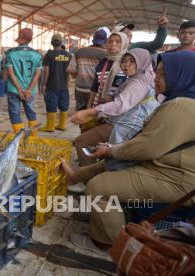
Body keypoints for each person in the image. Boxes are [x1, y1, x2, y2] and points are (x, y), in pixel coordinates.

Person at [68, 51, 195, 254]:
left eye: (162, 74)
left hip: (177, 177)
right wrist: (112, 151)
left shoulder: (181, 106)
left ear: (181, 76)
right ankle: (77, 181)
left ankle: (107, 243)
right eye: (157, 72)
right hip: (167, 164)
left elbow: (146, 148)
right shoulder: (177, 99)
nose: (156, 77)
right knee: (109, 164)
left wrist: (112, 150)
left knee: (98, 186)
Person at [71, 48, 160, 165]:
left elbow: (120, 105)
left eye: (132, 61)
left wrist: (89, 112)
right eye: (124, 61)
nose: (126, 65)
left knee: (81, 141)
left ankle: (85, 172)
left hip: (125, 124)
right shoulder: (145, 76)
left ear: (142, 61)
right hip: (125, 120)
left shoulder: (139, 82)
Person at [72, 32, 130, 166]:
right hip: (98, 110)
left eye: (117, 41)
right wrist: (89, 107)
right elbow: (95, 86)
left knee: (85, 140)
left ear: (125, 44)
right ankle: (89, 160)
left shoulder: (127, 63)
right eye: (110, 41)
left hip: (117, 114)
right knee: (89, 135)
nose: (113, 44)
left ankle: (88, 169)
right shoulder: (103, 62)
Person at [5, 28, 42, 135]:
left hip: (14, 89)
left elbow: (11, 73)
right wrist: (29, 90)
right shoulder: (37, 55)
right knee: (30, 112)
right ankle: (33, 138)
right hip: (30, 90)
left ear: (21, 39)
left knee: (15, 113)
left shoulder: (10, 53)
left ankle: (19, 140)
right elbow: (37, 74)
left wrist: (19, 89)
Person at [67, 28, 109, 112]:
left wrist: (80, 76)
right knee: (94, 118)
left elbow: (71, 71)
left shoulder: (79, 52)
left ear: (93, 39)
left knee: (81, 116)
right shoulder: (107, 55)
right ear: (106, 41)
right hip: (97, 93)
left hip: (80, 91)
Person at [40, 33, 72, 132]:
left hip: (52, 85)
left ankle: (50, 127)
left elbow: (46, 71)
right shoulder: (68, 55)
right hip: (64, 86)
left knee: (51, 104)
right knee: (64, 105)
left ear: (52, 43)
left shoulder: (49, 55)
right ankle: (62, 125)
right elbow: (70, 71)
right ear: (61, 42)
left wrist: (44, 84)